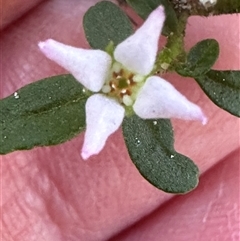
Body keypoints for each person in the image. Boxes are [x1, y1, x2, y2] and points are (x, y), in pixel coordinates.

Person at [1, 0, 239, 240]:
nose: (123, 82)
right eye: (121, 80)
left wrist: (192, 110)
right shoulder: (107, 85)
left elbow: (173, 101)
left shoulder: (134, 84)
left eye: (125, 82)